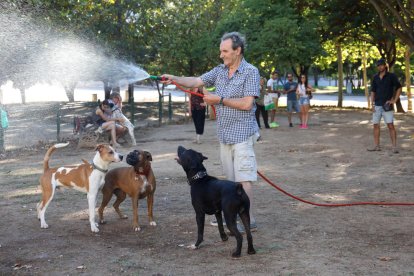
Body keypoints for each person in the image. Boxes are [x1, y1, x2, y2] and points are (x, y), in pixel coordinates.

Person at [161, 32, 259, 232]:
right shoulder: (220, 70)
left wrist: (219, 100)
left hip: (242, 135)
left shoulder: (250, 72)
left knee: (243, 179)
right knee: (230, 181)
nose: (221, 55)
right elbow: (196, 81)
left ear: (237, 50)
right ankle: (231, 216)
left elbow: (248, 104)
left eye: (225, 51)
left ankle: (249, 220)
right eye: (220, 51)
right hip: (225, 136)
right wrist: (174, 78)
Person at [367, 58, 402, 153]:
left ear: (385, 65)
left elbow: (399, 88)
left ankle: (394, 147)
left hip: (387, 105)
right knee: (375, 125)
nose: (379, 67)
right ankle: (376, 146)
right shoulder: (375, 77)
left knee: (390, 125)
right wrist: (372, 104)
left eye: (381, 65)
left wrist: (394, 100)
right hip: (377, 105)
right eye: (378, 65)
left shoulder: (391, 76)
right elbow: (373, 91)